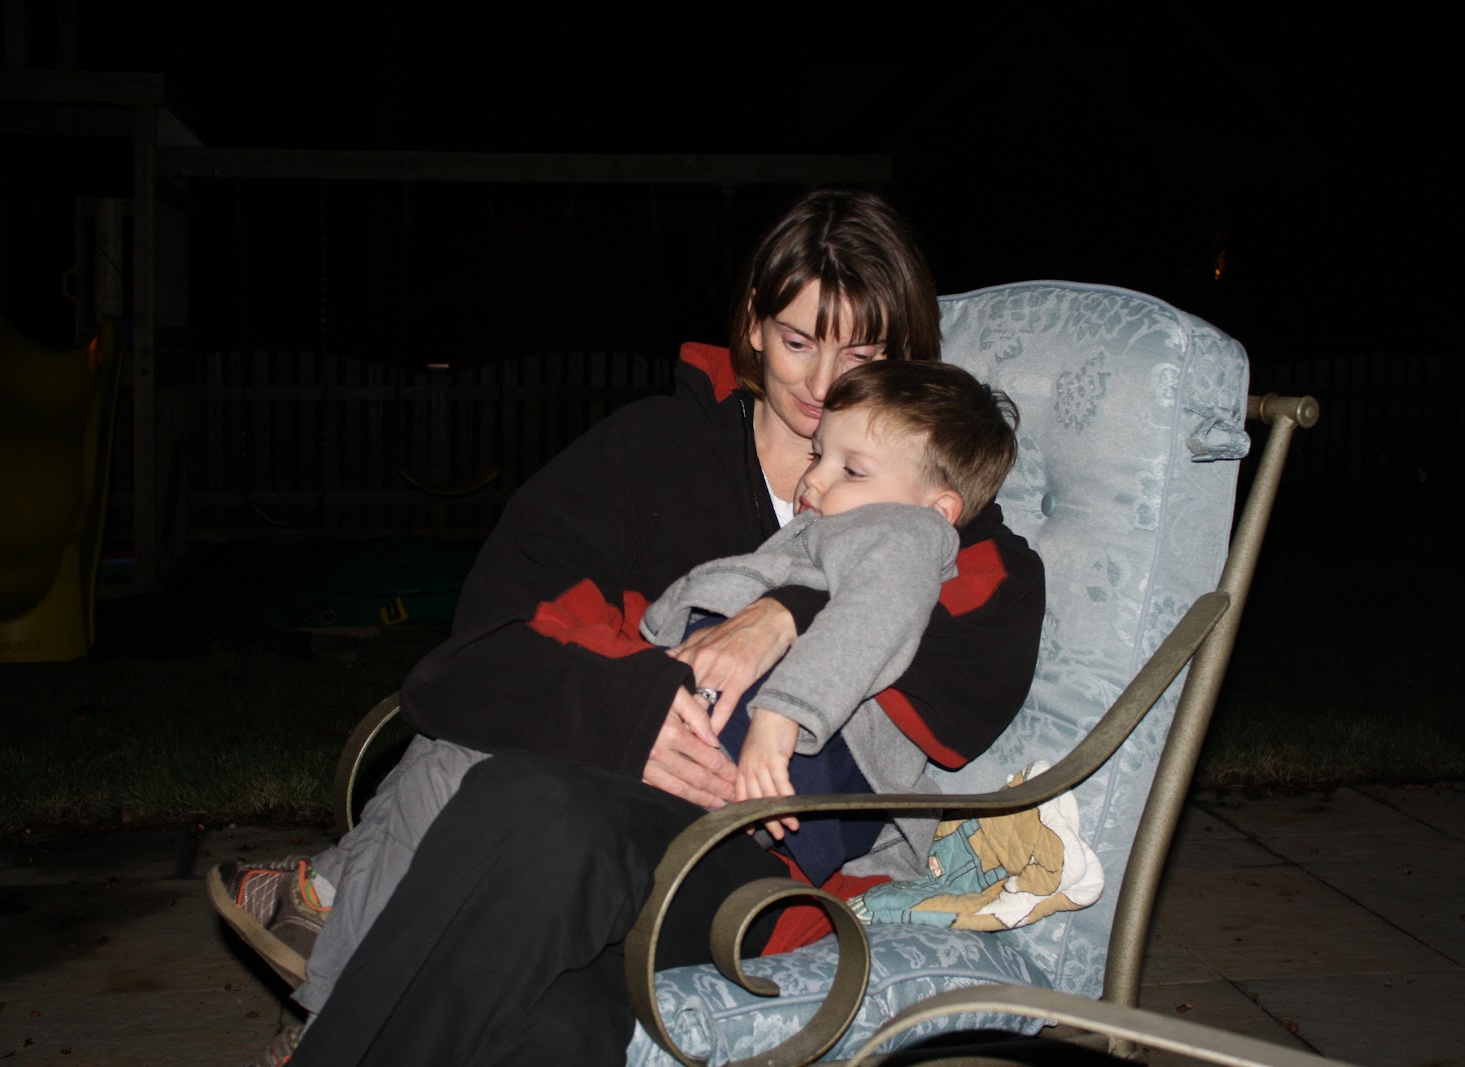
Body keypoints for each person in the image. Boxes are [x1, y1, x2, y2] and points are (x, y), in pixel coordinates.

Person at [210, 189, 1045, 1066]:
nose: (822, 381)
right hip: (605, 809)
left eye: (861, 353)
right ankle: (343, 986)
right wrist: (634, 711)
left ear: (903, 357)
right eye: (798, 341)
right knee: (555, 1019)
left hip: (760, 862)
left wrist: (788, 614)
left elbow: (968, 668)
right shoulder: (654, 452)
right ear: (753, 326)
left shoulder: (946, 528)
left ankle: (333, 926)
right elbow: (491, 636)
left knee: (528, 803)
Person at [640, 358, 1023, 886]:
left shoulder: (907, 530)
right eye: (818, 455)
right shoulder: (840, 528)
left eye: (852, 470)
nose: (814, 479)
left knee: (637, 834)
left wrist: (781, 717)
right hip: (754, 733)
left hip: (810, 746)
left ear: (937, 509)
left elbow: (865, 622)